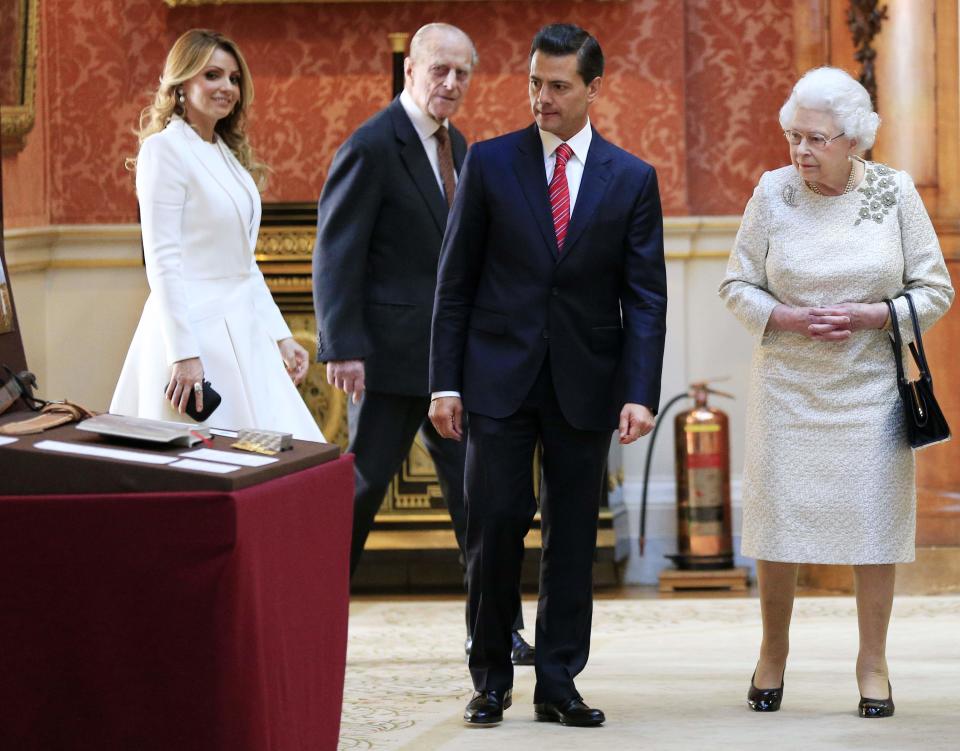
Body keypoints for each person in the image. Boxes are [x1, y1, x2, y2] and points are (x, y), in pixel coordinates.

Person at [430, 23, 667, 727]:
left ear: (593, 89)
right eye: (535, 82)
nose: (542, 98)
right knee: (494, 522)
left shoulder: (632, 179)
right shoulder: (491, 163)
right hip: (496, 376)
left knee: (572, 534)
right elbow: (455, 283)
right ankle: (491, 674)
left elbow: (646, 296)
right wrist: (445, 381)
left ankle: (558, 679)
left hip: (586, 381)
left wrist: (639, 390)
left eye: (558, 85)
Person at [719, 66, 953, 718]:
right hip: (788, 388)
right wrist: (791, 318)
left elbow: (936, 289)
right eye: (794, 136)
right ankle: (773, 652)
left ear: (854, 140)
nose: (800, 151)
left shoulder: (895, 193)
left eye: (816, 139)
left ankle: (872, 661)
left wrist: (873, 315)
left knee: (875, 525)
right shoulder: (772, 193)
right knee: (777, 526)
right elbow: (736, 284)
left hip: (871, 389)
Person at [312, 23, 533, 662]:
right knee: (359, 493)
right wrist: (343, 345)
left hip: (450, 365)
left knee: (479, 500)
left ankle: (494, 629)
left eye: (463, 73)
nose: (452, 83)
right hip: (384, 360)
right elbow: (336, 252)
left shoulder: (458, 146)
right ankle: (313, 617)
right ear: (412, 69)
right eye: (440, 70)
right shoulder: (372, 144)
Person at [112, 29, 323, 442]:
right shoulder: (164, 150)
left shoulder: (225, 154)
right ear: (181, 84)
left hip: (243, 330)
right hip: (194, 336)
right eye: (212, 75)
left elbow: (243, 265)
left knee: (274, 459)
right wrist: (183, 355)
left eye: (233, 78)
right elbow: (163, 261)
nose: (227, 87)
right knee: (205, 463)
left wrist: (280, 336)